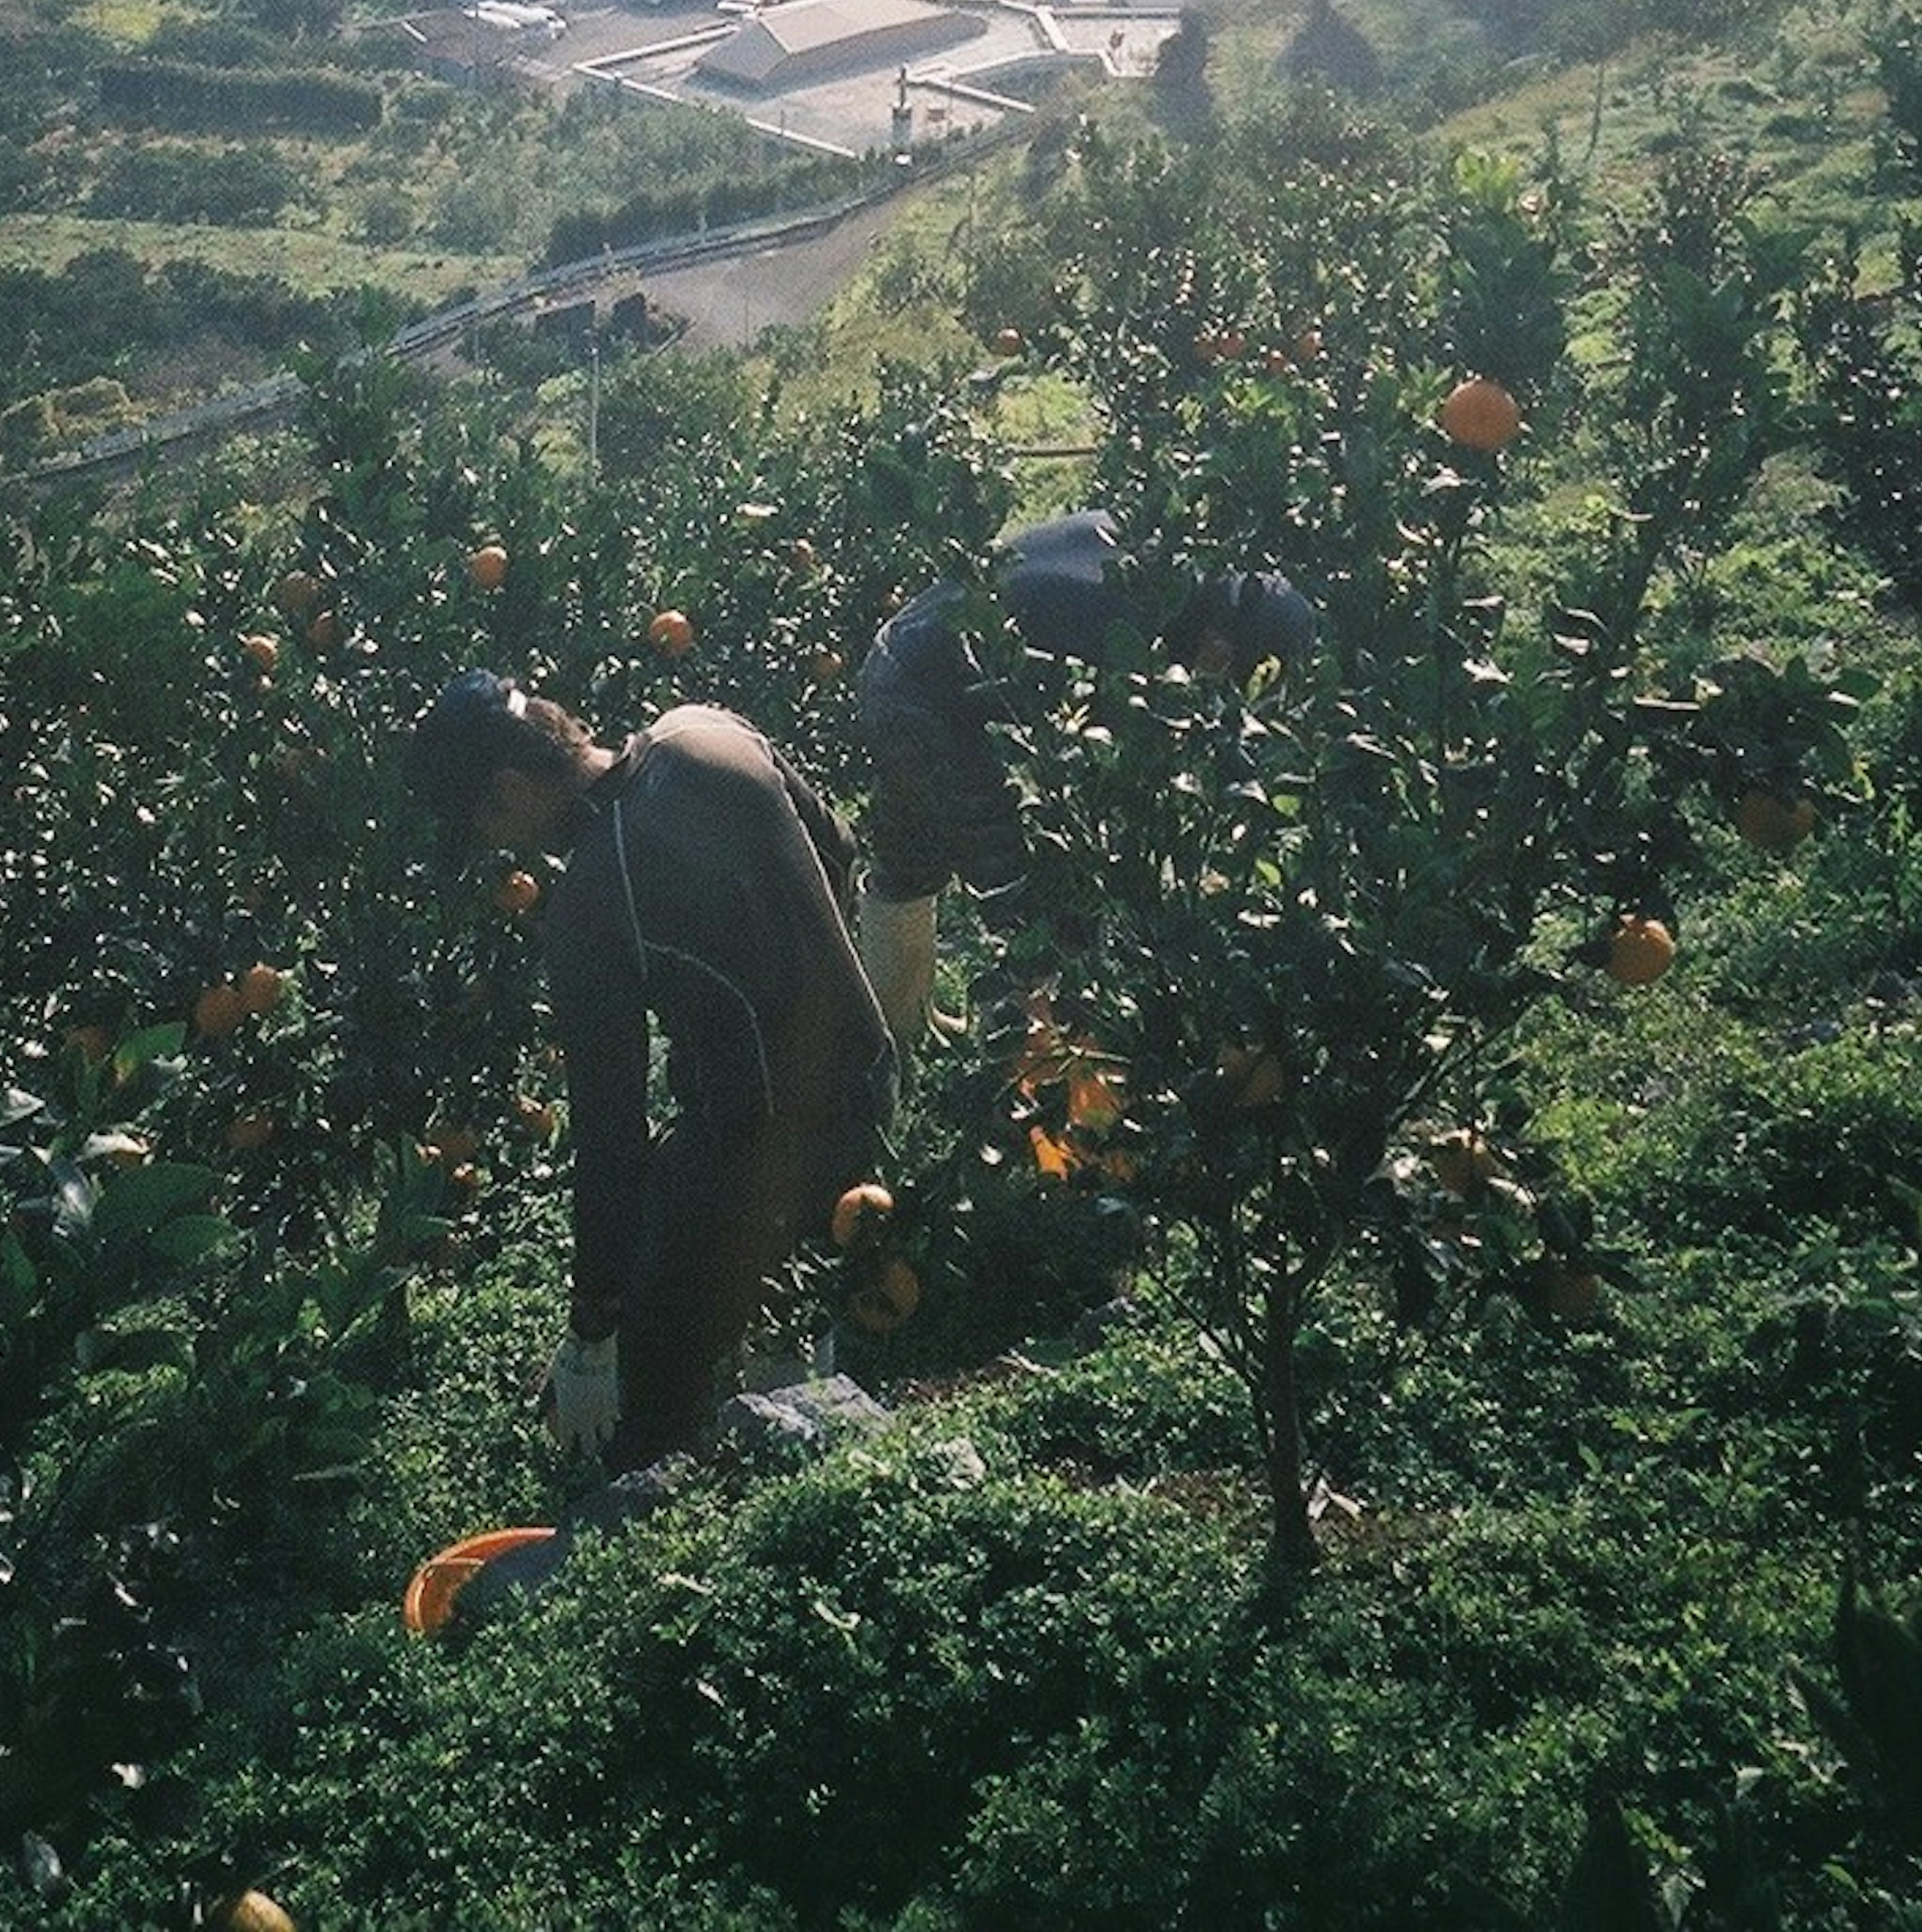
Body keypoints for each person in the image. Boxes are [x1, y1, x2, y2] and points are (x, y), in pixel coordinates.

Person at [406, 670, 896, 1475]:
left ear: (511, 787)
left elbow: (610, 1134)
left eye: (485, 825)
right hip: (872, 1078)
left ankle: (715, 1448)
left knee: (645, 1385)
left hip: (782, 1146)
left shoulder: (594, 901)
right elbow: (838, 850)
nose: (499, 848)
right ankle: (790, 1305)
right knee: (686, 1193)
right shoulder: (704, 730)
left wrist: (595, 1324)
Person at [853, 508, 1318, 1041]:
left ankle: (895, 1033)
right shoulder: (1129, 629)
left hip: (905, 655)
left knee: (912, 851)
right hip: (924, 690)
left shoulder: (1159, 561)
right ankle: (1021, 1060)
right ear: (1220, 645)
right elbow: (1097, 782)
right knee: (1017, 881)